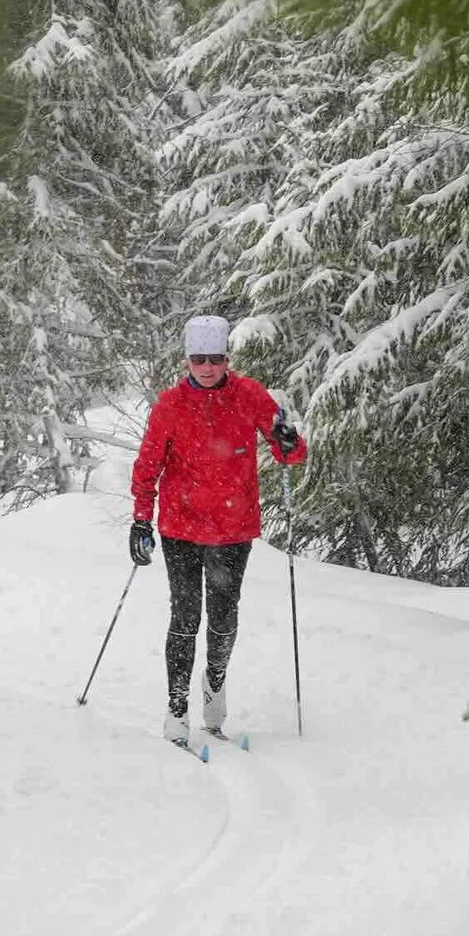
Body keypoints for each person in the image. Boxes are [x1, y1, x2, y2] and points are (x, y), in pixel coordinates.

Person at [129, 315, 307, 746]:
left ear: (227, 357)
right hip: (181, 527)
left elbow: (292, 455)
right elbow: (147, 466)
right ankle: (176, 708)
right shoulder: (170, 405)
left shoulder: (249, 395)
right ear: (187, 359)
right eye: (198, 358)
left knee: (224, 618)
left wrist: (288, 439)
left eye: (215, 358)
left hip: (232, 529)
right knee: (186, 616)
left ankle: (215, 685)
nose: (207, 367)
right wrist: (140, 519)